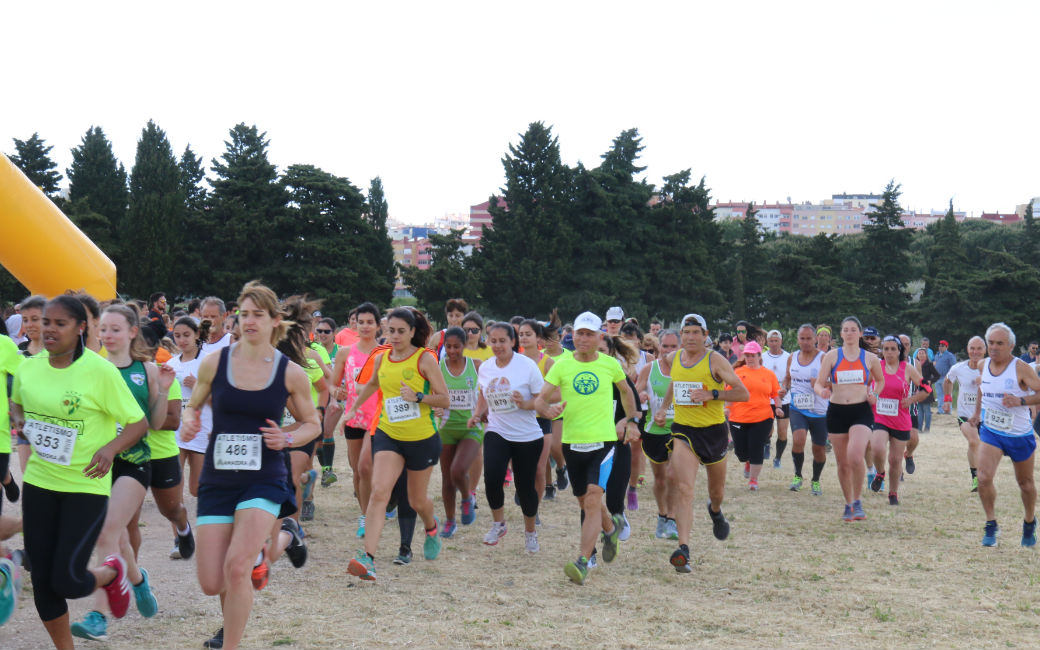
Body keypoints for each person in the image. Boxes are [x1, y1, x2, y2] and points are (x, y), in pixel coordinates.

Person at [180, 282, 320, 650]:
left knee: (238, 567)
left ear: (276, 321)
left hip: (264, 477)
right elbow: (192, 405)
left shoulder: (290, 373)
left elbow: (312, 424)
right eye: (244, 314)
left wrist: (287, 439)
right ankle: (288, 533)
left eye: (258, 314)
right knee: (213, 581)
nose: (250, 321)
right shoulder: (215, 363)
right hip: (218, 477)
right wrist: (190, 419)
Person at [11, 295, 150, 649]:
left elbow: (138, 423)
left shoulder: (99, 372)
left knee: (67, 580)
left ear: (81, 328)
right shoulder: (29, 367)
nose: (50, 329)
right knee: (42, 580)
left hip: (84, 487)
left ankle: (111, 573)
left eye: (60, 323)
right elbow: (19, 401)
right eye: (46, 322)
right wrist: (19, 420)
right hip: (41, 483)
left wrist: (109, 449)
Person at [70, 303, 177, 640]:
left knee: (106, 532)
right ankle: (137, 579)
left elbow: (156, 423)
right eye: (103, 329)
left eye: (115, 329)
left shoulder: (144, 370)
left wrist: (161, 387)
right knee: (115, 536)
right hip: (97, 464)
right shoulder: (89, 368)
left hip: (134, 461)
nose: (107, 335)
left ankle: (98, 617)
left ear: (132, 332)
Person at [534, 311, 639, 585]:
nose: (583, 338)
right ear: (573, 335)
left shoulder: (609, 365)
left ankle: (582, 560)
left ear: (599, 337)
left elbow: (626, 392)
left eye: (589, 334)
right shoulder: (562, 366)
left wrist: (631, 420)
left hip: (603, 442)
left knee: (593, 497)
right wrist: (548, 409)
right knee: (583, 499)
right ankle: (610, 527)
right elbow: (539, 401)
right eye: (579, 333)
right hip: (572, 442)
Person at [344, 308, 449, 582]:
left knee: (416, 500)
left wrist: (418, 397)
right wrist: (353, 408)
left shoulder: (425, 359)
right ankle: (368, 558)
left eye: (402, 331)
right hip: (389, 434)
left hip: (422, 439)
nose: (396, 336)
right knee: (379, 492)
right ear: (385, 330)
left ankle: (431, 526)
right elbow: (373, 385)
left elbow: (444, 399)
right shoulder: (382, 357)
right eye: (391, 331)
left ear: (413, 332)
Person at [653, 314, 748, 573]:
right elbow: (675, 382)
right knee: (684, 488)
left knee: (716, 493)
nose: (691, 337)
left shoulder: (714, 360)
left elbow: (742, 392)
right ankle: (684, 550)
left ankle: (715, 511)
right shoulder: (674, 358)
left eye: (697, 332)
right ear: (681, 335)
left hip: (713, 432)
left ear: (706, 336)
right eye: (687, 332)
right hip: (684, 431)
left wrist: (713, 394)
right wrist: (663, 408)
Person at [469, 323, 545, 552]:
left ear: (513, 342)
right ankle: (498, 523)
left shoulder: (527, 366)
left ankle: (530, 531)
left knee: (524, 487)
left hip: (527, 435)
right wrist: (477, 413)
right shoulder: (486, 368)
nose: (498, 345)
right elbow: (484, 394)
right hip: (497, 430)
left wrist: (524, 403)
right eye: (493, 341)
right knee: (492, 478)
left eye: (503, 340)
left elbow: (540, 399)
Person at [970, 322, 1040, 548]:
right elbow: (983, 388)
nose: (994, 347)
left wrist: (1020, 401)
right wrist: (977, 413)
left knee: (1026, 483)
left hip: (1019, 434)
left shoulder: (1021, 368)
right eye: (991, 342)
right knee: (983, 477)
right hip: (992, 431)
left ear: (1010, 346)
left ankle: (1029, 521)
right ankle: (991, 524)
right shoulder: (983, 365)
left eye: (1000, 343)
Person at [815, 316, 884, 522]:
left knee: (855, 456)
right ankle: (848, 504)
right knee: (843, 463)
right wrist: (822, 392)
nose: (849, 333)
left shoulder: (870, 359)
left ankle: (857, 501)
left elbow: (880, 381)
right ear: (841, 333)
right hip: (836, 412)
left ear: (860, 334)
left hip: (861, 411)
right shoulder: (831, 356)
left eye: (853, 330)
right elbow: (819, 384)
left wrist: (875, 395)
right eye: (846, 330)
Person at [329, 302, 383, 539]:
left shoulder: (386, 353)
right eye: (361, 322)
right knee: (358, 472)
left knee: (367, 467)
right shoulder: (344, 353)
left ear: (378, 326)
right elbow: (332, 383)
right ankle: (365, 513)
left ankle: (372, 514)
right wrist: (336, 392)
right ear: (354, 323)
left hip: (379, 420)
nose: (364, 326)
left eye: (370, 322)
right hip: (353, 419)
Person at [436, 327, 484, 537]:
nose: (453, 351)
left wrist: (482, 413)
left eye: (457, 346)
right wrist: (435, 406)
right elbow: (431, 394)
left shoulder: (476, 366)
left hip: (470, 427)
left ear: (464, 346)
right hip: (446, 428)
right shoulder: (438, 368)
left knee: (458, 470)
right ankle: (449, 521)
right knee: (447, 479)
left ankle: (466, 497)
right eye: (448, 346)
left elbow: (487, 394)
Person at [869, 336, 928, 506]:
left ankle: (893, 493)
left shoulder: (908, 368)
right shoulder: (876, 366)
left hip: (901, 420)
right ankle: (880, 473)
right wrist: (869, 396)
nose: (889, 352)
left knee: (895, 460)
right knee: (877, 447)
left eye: (893, 349)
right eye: (885, 349)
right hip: (879, 416)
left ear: (899, 351)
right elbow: (864, 385)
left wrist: (912, 399)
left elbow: (927, 389)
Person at [636, 328, 679, 538]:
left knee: (674, 475)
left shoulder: (687, 370)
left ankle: (672, 519)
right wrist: (641, 395)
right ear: (658, 346)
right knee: (661, 479)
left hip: (680, 430)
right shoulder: (649, 369)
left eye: (673, 346)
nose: (668, 350)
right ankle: (662, 516)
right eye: (665, 346)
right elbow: (635, 392)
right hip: (654, 430)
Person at [728, 341, 783, 491]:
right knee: (740, 452)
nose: (750, 358)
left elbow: (776, 393)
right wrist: (727, 408)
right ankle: (746, 461)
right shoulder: (737, 373)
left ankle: (753, 479)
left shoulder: (768, 374)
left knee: (756, 447)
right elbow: (729, 392)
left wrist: (778, 407)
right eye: (747, 355)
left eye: (753, 355)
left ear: (759, 356)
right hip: (738, 417)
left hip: (762, 417)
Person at [784, 324, 830, 495]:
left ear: (816, 339)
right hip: (798, 408)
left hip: (819, 411)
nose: (805, 342)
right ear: (798, 339)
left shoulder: (824, 358)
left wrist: (822, 383)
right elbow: (788, 378)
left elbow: (835, 382)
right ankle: (797, 476)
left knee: (818, 449)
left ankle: (816, 480)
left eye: (809, 338)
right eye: (802, 338)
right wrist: (784, 388)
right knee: (798, 439)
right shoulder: (792, 357)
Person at [944, 336, 986, 492]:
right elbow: (948, 381)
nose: (975, 352)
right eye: (972, 348)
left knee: (986, 448)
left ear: (985, 350)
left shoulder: (991, 368)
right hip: (965, 415)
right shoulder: (958, 368)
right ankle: (976, 478)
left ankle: (984, 475)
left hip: (986, 416)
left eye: (979, 348)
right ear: (968, 350)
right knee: (974, 441)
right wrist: (947, 399)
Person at [761, 329, 791, 469]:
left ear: (781, 341)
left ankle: (778, 457)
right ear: (767, 342)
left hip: (784, 397)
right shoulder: (762, 357)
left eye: (776, 341)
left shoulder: (788, 357)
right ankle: (766, 443)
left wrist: (785, 388)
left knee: (783, 432)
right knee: (767, 429)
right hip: (767, 398)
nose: (774, 343)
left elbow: (789, 376)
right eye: (771, 341)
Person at [933, 339, 957, 414]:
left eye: (942, 346)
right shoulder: (936, 355)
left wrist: (950, 377)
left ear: (946, 347)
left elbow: (954, 366)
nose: (940, 347)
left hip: (946, 378)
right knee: (939, 395)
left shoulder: (950, 356)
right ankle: (940, 410)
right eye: (939, 346)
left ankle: (948, 410)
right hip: (937, 378)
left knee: (947, 394)